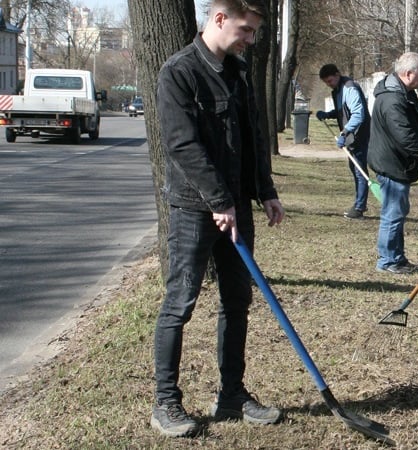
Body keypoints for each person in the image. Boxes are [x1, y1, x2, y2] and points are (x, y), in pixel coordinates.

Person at [151, 0, 286, 438]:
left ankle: (232, 394)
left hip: (235, 205)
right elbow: (181, 144)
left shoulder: (238, 72)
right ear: (220, 18)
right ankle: (165, 402)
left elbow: (252, 136)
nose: (250, 40)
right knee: (180, 302)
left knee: (237, 300)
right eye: (246, 30)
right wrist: (217, 199)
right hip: (194, 207)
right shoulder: (179, 72)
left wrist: (265, 190)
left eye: (254, 33)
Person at [367, 52, 418, 274]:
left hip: (396, 162)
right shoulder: (392, 99)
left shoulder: (403, 93)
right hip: (392, 163)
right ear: (408, 73)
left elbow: (407, 117)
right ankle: (388, 261)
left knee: (398, 211)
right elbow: (405, 137)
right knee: (393, 213)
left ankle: (397, 257)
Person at [316, 63, 372, 219]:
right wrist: (328, 114)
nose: (329, 84)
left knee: (360, 171)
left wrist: (345, 132)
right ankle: (359, 204)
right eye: (326, 82)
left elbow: (358, 114)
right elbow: (342, 111)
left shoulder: (349, 88)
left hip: (359, 135)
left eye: (330, 81)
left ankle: (359, 208)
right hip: (351, 137)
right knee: (355, 169)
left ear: (337, 74)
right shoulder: (338, 89)